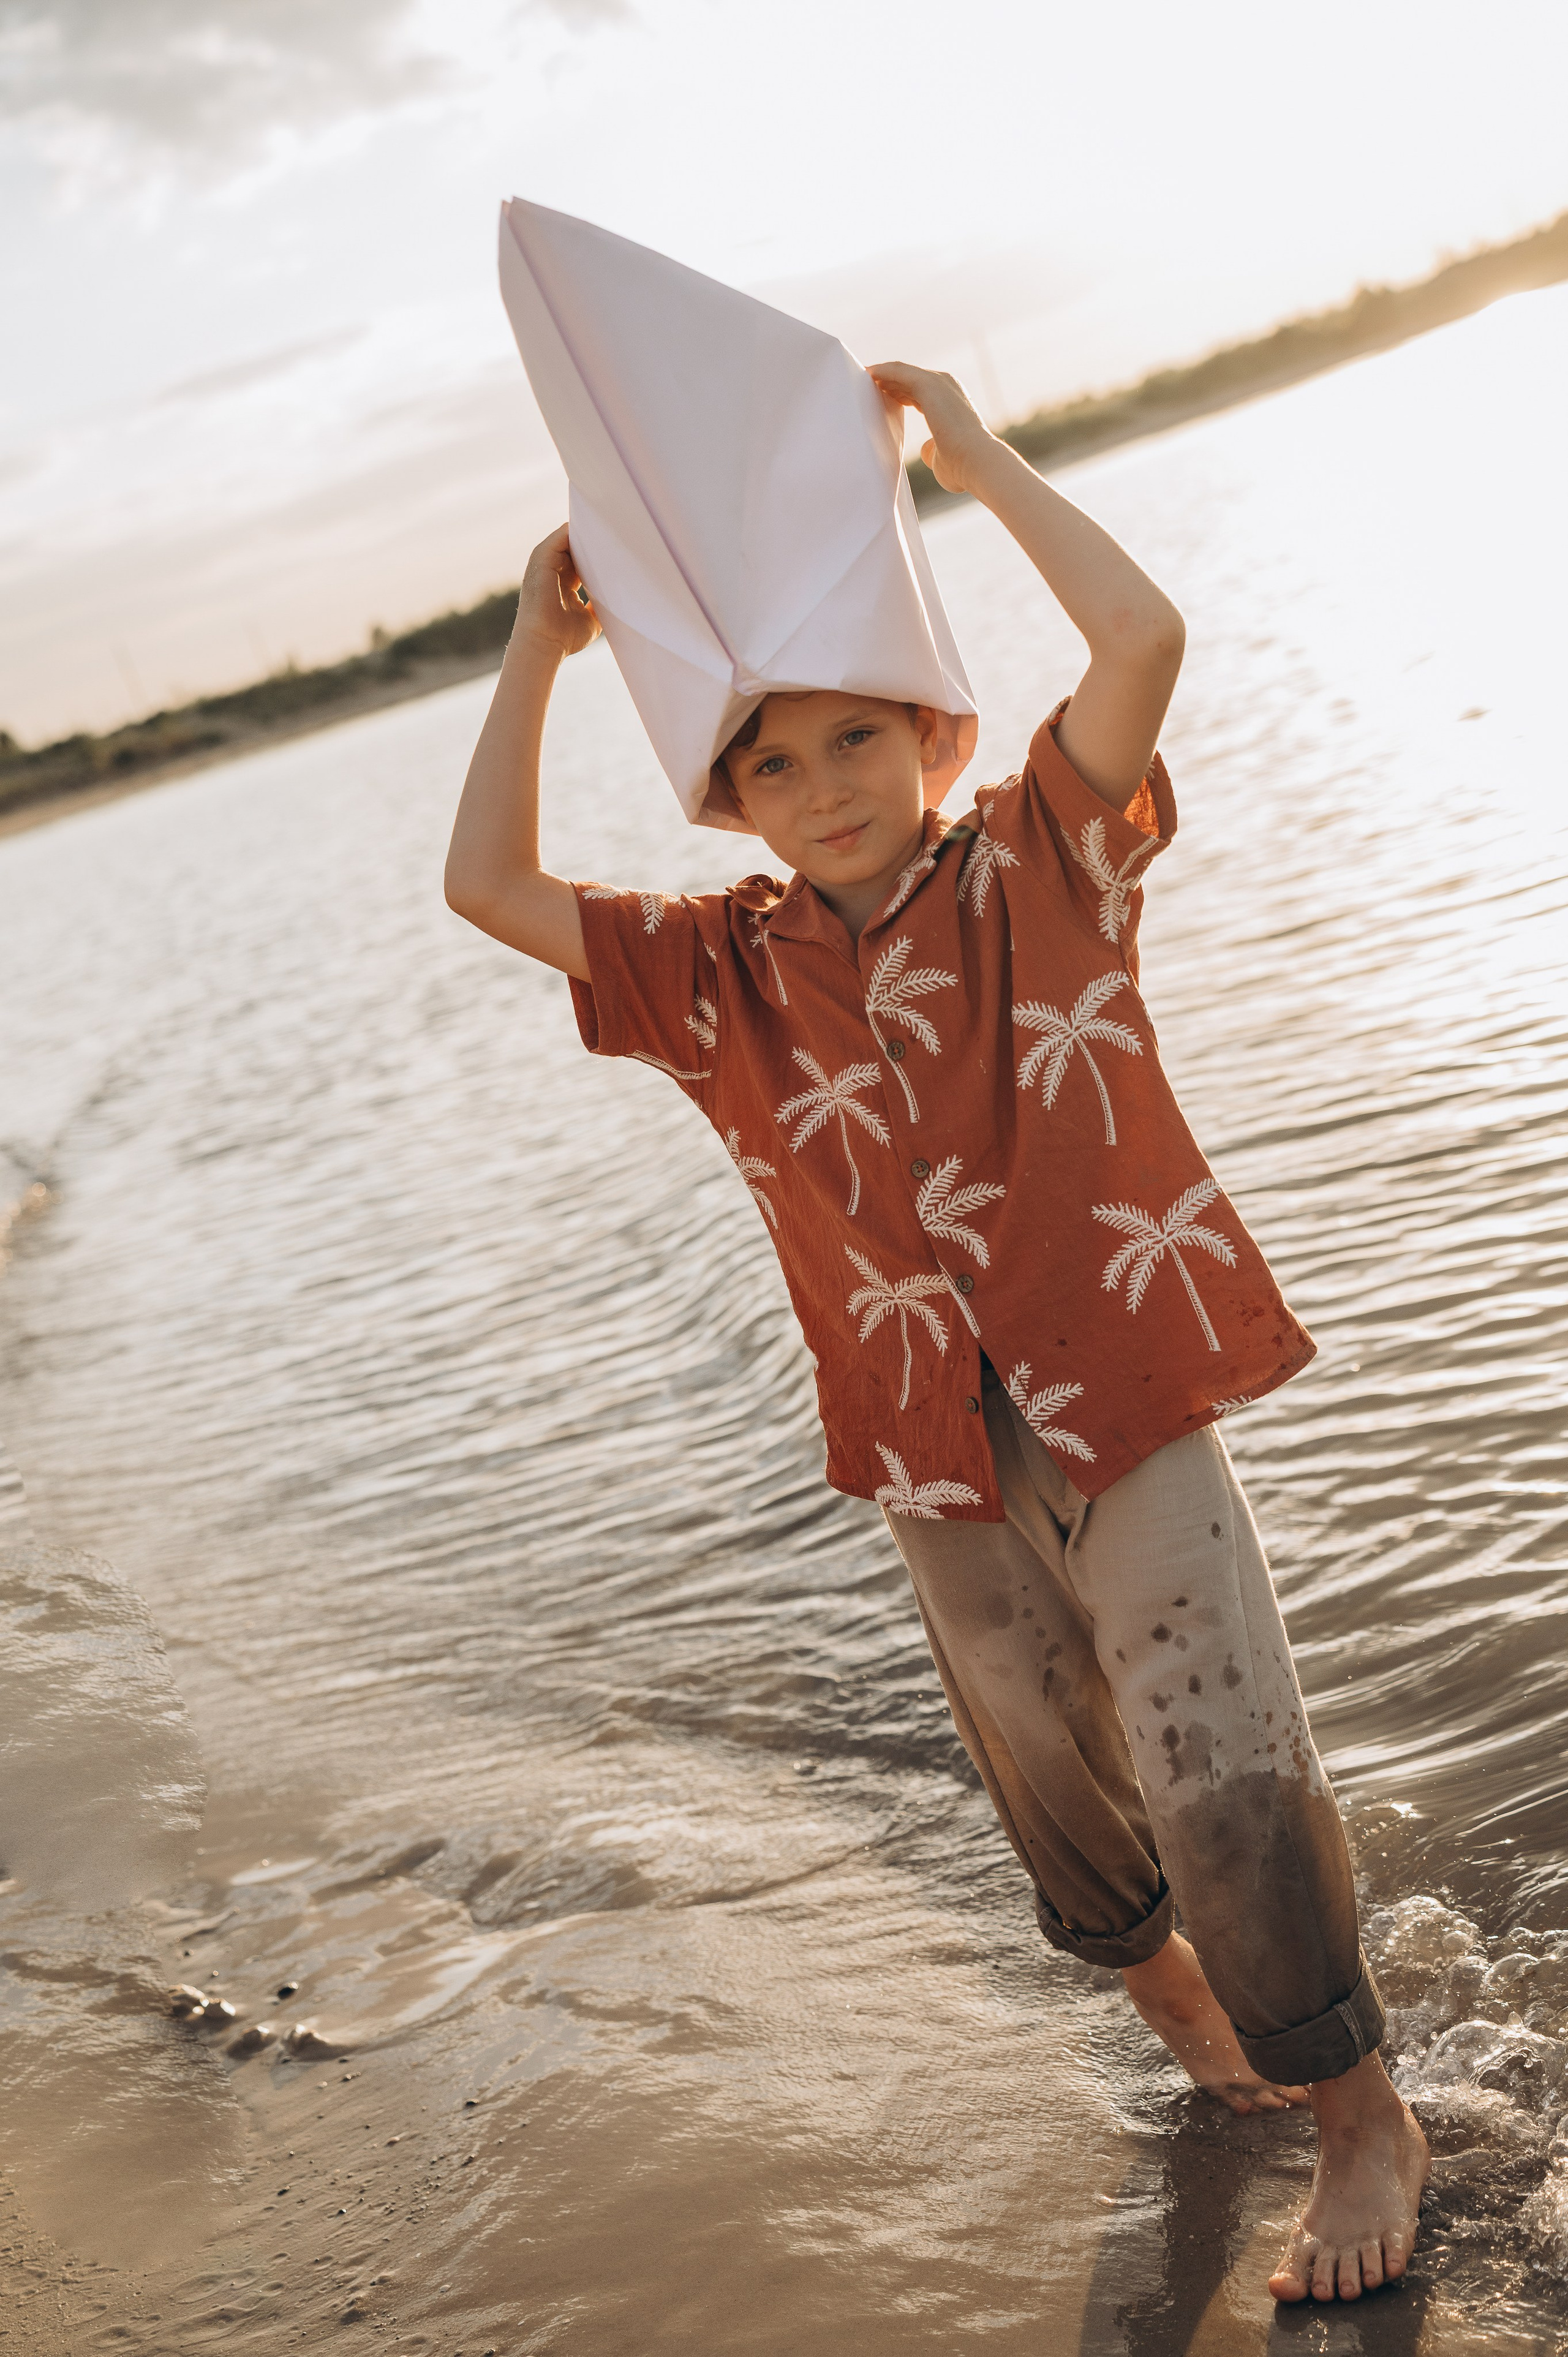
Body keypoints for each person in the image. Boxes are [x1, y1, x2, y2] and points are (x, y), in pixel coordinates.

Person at [443, 363, 1430, 2304]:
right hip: (925, 1444)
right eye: (774, 768)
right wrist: (531, 648)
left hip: (1125, 1394)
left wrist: (969, 461)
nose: (823, 790)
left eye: (851, 740)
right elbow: (485, 883)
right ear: (728, 802)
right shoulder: (717, 972)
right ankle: (1191, 2037)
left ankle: (1358, 2109)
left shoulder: (1041, 857)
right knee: (1054, 1781)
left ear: (924, 726)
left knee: (1216, 1742)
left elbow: (1143, 634)